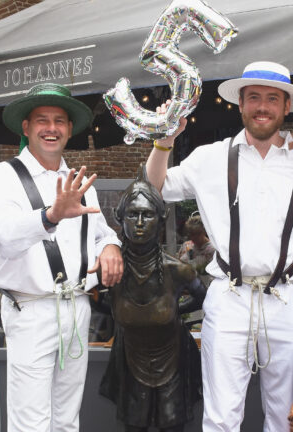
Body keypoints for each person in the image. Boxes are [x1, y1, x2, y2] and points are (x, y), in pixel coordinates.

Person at [147, 61, 293, 432]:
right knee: (221, 416)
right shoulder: (211, 157)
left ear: (287, 106)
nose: (262, 107)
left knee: (287, 416)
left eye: (272, 99)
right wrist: (164, 141)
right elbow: (155, 187)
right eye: (253, 97)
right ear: (240, 104)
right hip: (229, 296)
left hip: (289, 298)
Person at [0, 83, 123, 432]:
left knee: (67, 419)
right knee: (31, 421)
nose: (51, 128)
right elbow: (4, 238)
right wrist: (50, 216)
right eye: (42, 120)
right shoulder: (2, 177)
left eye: (59, 121)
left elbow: (101, 232)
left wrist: (110, 247)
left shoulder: (78, 181)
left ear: (69, 129)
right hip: (30, 309)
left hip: (77, 307)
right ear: (26, 127)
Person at [98, 169, 206, 432]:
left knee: (173, 424)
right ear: (120, 218)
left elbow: (203, 297)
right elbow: (94, 300)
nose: (139, 222)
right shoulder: (111, 270)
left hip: (172, 357)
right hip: (130, 356)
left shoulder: (177, 270)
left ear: (160, 218)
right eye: (132, 214)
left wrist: (175, 311)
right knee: (134, 425)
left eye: (147, 215)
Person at [177, 213, 215, 286]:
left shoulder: (213, 250)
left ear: (204, 232)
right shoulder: (186, 246)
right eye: (190, 234)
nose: (193, 237)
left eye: (196, 234)